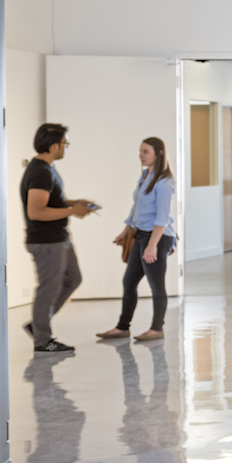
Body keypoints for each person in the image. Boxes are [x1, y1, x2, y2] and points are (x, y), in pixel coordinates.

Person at [21, 123, 96, 354]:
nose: (65, 148)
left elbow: (49, 202)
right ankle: (42, 340)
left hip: (58, 237)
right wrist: (73, 212)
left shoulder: (47, 168)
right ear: (53, 146)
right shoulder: (40, 172)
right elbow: (36, 212)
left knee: (73, 278)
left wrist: (72, 203)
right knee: (48, 288)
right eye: (64, 143)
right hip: (46, 241)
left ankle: (39, 323)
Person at [97, 137, 178, 342]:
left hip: (157, 237)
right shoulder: (145, 176)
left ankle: (156, 328)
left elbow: (162, 217)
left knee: (156, 284)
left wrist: (152, 245)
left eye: (145, 152)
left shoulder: (164, 182)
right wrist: (126, 229)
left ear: (159, 153)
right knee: (129, 281)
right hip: (141, 235)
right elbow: (137, 207)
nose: (140, 156)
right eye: (140, 151)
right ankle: (122, 327)